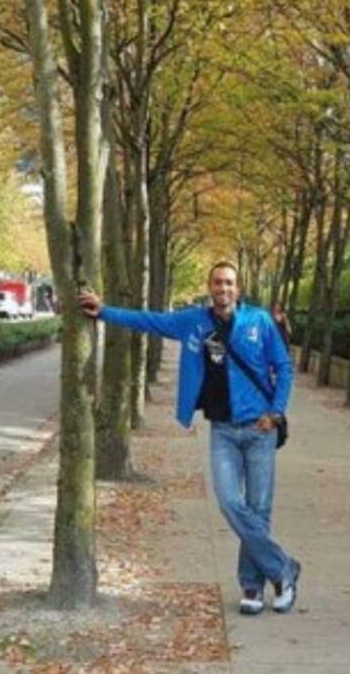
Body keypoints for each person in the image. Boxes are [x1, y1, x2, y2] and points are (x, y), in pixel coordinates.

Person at [78, 260, 300, 616]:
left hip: (260, 430)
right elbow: (149, 320)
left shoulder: (259, 321)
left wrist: (276, 412)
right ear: (210, 287)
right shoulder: (194, 321)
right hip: (223, 431)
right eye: (218, 282)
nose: (223, 288)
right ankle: (283, 568)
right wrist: (104, 311)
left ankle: (252, 586)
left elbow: (284, 367)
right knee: (230, 503)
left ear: (238, 289)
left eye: (229, 283)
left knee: (258, 511)